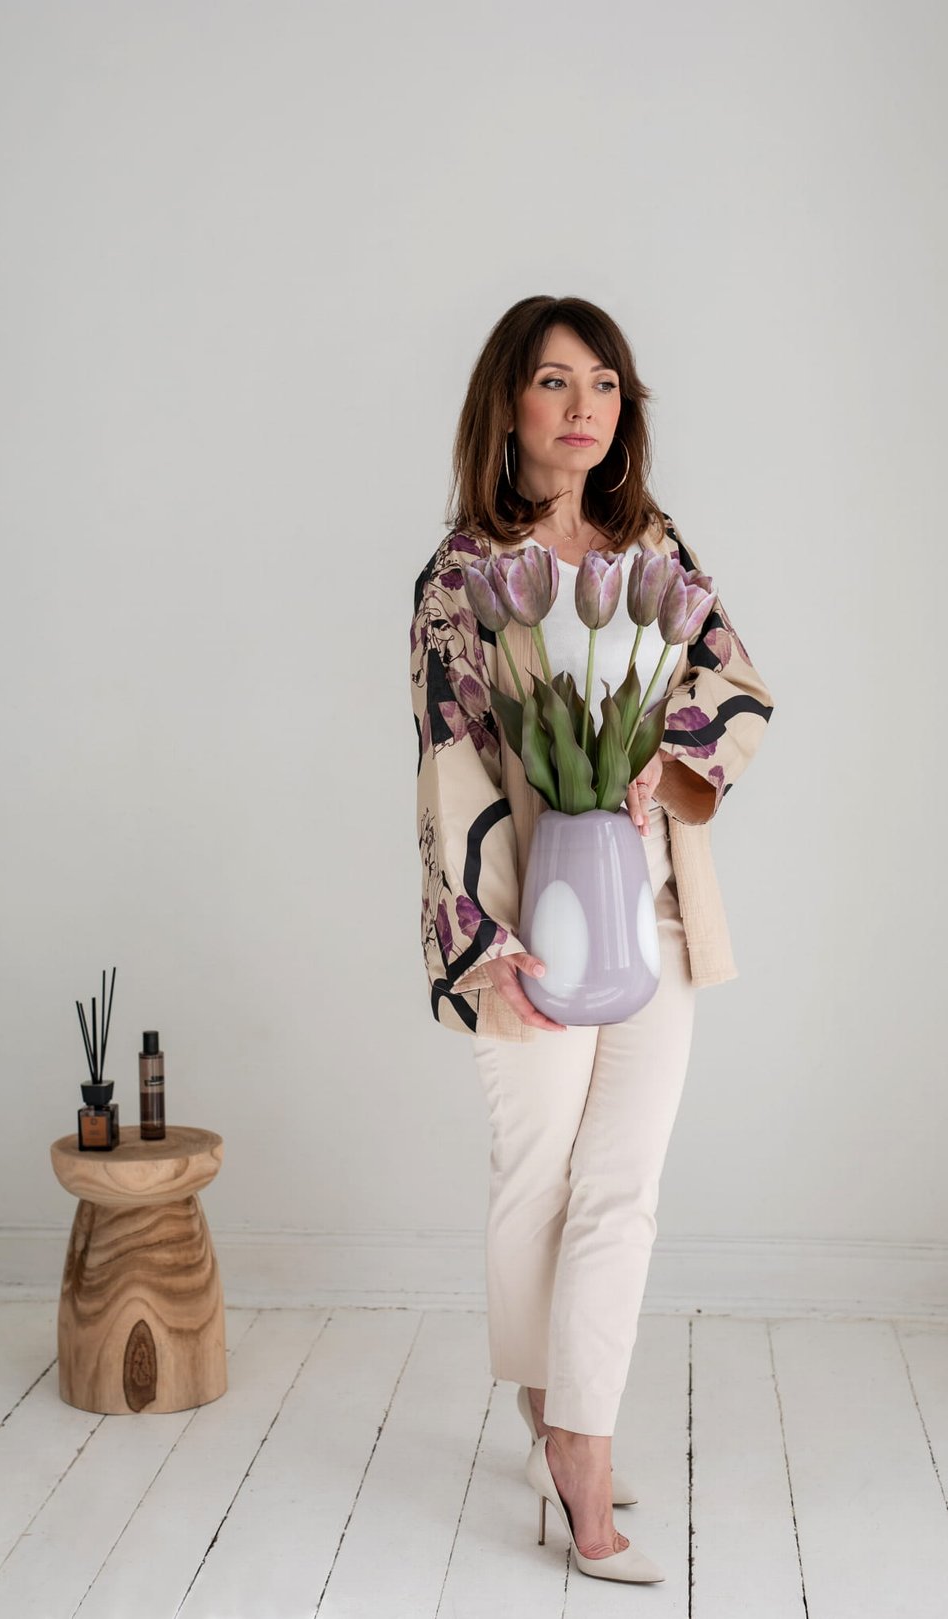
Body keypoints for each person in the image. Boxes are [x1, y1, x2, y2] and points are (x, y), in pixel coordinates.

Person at [408, 295, 774, 1583]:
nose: (585, 407)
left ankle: (580, 1440)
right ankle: (549, 1409)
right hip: (528, 923)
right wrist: (478, 940)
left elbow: (735, 681)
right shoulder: (463, 576)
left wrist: (666, 765)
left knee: (625, 1186)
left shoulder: (652, 550)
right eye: (556, 381)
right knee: (538, 1184)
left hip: (652, 912)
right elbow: (449, 755)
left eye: (605, 383)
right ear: (507, 405)